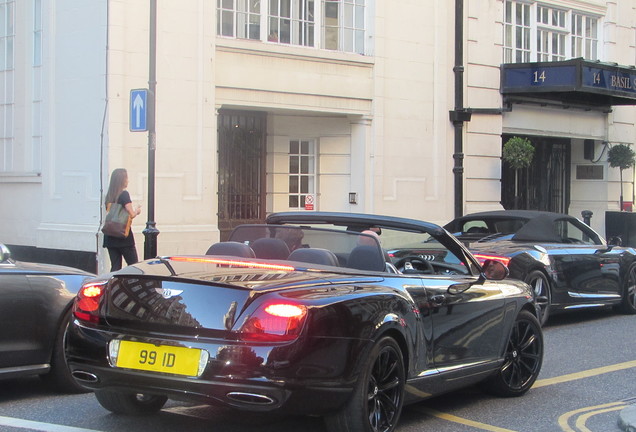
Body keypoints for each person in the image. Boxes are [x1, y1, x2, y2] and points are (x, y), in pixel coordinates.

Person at [103, 168, 141, 271]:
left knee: (115, 267)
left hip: (110, 236)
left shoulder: (109, 195)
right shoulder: (124, 194)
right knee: (133, 266)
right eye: (126, 178)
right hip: (123, 236)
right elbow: (131, 214)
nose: (128, 180)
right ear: (122, 180)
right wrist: (137, 211)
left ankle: (113, 285)